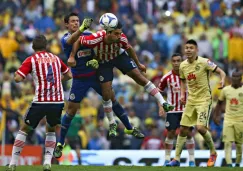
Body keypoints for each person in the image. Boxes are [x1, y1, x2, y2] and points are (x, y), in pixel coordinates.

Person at [54, 13, 144, 159]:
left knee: (112, 98)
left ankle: (129, 127)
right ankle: (60, 143)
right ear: (66, 24)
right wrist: (82, 29)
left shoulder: (89, 34)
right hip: (79, 80)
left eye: (78, 21)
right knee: (71, 110)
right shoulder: (65, 38)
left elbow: (99, 46)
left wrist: (96, 59)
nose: (76, 23)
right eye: (72, 22)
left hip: (95, 76)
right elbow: (72, 41)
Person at [69, 18, 174, 126]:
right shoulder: (95, 38)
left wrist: (138, 64)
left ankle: (163, 102)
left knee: (139, 77)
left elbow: (129, 49)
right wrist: (72, 56)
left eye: (120, 33)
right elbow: (78, 40)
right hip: (104, 62)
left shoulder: (122, 38)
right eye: (116, 33)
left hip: (118, 56)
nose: (119, 36)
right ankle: (111, 122)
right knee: (106, 93)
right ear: (108, 32)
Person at [6, 35, 72, 171]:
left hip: (41, 100)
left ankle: (13, 163)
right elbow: (69, 75)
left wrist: (15, 75)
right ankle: (47, 162)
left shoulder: (31, 59)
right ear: (46, 46)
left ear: (33, 47)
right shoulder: (56, 58)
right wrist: (57, 81)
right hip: (57, 101)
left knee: (24, 129)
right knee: (51, 129)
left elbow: (18, 78)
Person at [166, 39, 226, 167]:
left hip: (204, 100)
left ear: (196, 50)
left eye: (191, 48)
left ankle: (213, 152)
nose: (188, 50)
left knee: (200, 128)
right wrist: (182, 94)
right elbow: (182, 81)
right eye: (186, 48)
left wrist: (222, 80)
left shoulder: (204, 62)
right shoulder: (183, 65)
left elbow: (221, 72)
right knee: (182, 130)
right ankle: (176, 159)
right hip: (191, 101)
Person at [158, 53, 195, 167]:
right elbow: (158, 92)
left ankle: (192, 160)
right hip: (172, 110)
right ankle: (167, 159)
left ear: (182, 61)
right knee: (171, 133)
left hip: (187, 109)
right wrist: (161, 106)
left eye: (178, 60)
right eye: (173, 61)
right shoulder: (167, 77)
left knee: (188, 133)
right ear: (171, 62)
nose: (176, 63)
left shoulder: (190, 75)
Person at [214, 70, 243, 167]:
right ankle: (229, 164)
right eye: (233, 77)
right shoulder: (225, 90)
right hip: (228, 120)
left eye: (237, 77)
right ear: (231, 78)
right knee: (227, 142)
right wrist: (216, 116)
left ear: (240, 78)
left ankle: (238, 163)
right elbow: (219, 103)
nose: (234, 79)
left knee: (239, 144)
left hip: (240, 120)